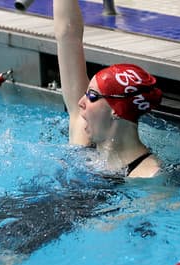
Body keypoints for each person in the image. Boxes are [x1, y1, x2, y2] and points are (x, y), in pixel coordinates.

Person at [54, 0, 163, 178]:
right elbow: (68, 34)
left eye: (92, 96)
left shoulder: (147, 174)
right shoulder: (84, 137)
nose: (80, 102)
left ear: (115, 110)